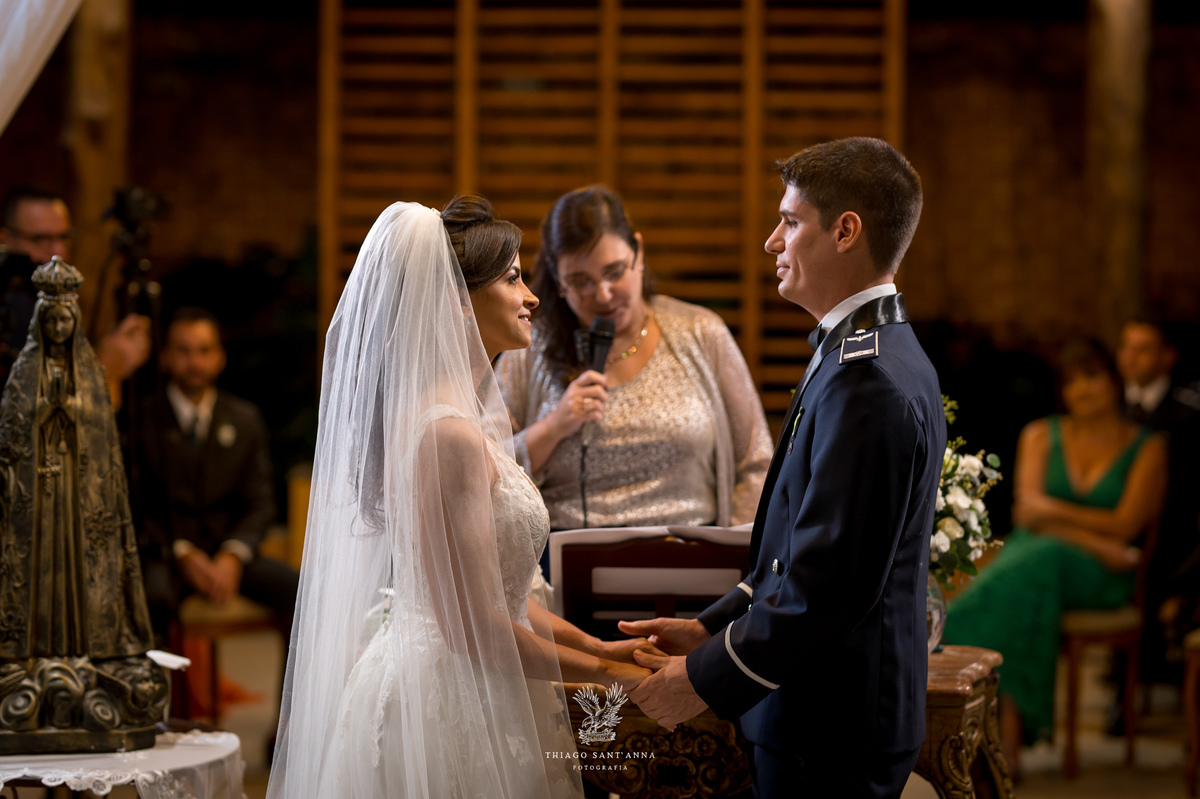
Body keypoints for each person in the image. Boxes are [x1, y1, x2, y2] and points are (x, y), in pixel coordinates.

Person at [267, 197, 654, 798]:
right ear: (457, 299)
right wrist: (606, 673)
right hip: (447, 701)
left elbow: (501, 594)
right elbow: (475, 627)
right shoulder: (447, 434)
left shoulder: (461, 419)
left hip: (479, 679)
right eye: (513, 278)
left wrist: (597, 645)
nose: (532, 297)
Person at [620, 137, 945, 798]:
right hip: (820, 708)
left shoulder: (869, 379)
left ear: (846, 231)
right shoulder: (865, 352)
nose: (773, 242)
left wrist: (704, 676)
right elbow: (794, 551)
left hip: (832, 725)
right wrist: (710, 626)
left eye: (791, 222)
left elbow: (829, 584)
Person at [942, 338, 1167, 769]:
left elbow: (1126, 524)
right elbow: (1028, 514)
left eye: (1092, 376)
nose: (1082, 389)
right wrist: (1100, 541)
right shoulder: (1041, 434)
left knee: (1036, 562)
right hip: (1060, 559)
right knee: (1028, 577)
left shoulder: (1148, 446)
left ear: (1114, 381)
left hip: (1100, 577)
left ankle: (956, 636)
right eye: (1071, 381)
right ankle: (1006, 731)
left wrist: (1055, 516)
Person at [495, 184, 771, 535]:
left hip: (694, 554)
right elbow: (489, 471)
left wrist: (738, 553)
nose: (603, 294)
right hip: (567, 556)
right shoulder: (528, 349)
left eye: (614, 272)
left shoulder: (701, 332)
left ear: (638, 254)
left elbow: (756, 463)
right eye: (580, 281)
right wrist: (554, 427)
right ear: (557, 279)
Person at [0, 256, 155, 661]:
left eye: (64, 321)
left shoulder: (88, 372)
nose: (57, 328)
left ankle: (84, 643)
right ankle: (34, 648)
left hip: (76, 487)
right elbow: (13, 425)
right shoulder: (25, 371)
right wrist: (45, 409)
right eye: (51, 321)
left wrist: (69, 408)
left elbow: (100, 424)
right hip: (37, 489)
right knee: (38, 565)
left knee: (78, 562)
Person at [137, 307, 298, 643]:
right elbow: (136, 503)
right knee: (151, 598)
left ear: (220, 358)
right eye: (183, 351)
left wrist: (233, 554)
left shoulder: (244, 419)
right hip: (167, 553)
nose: (194, 362)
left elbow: (261, 504)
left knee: (301, 592)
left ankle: (292, 681)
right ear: (165, 357)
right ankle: (163, 680)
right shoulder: (142, 419)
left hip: (229, 549)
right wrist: (181, 552)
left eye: (204, 351)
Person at [0, 186, 150, 406]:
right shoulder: (10, 306)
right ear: (5, 238)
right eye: (41, 239)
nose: (58, 251)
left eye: (64, 237)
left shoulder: (53, 301)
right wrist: (104, 367)